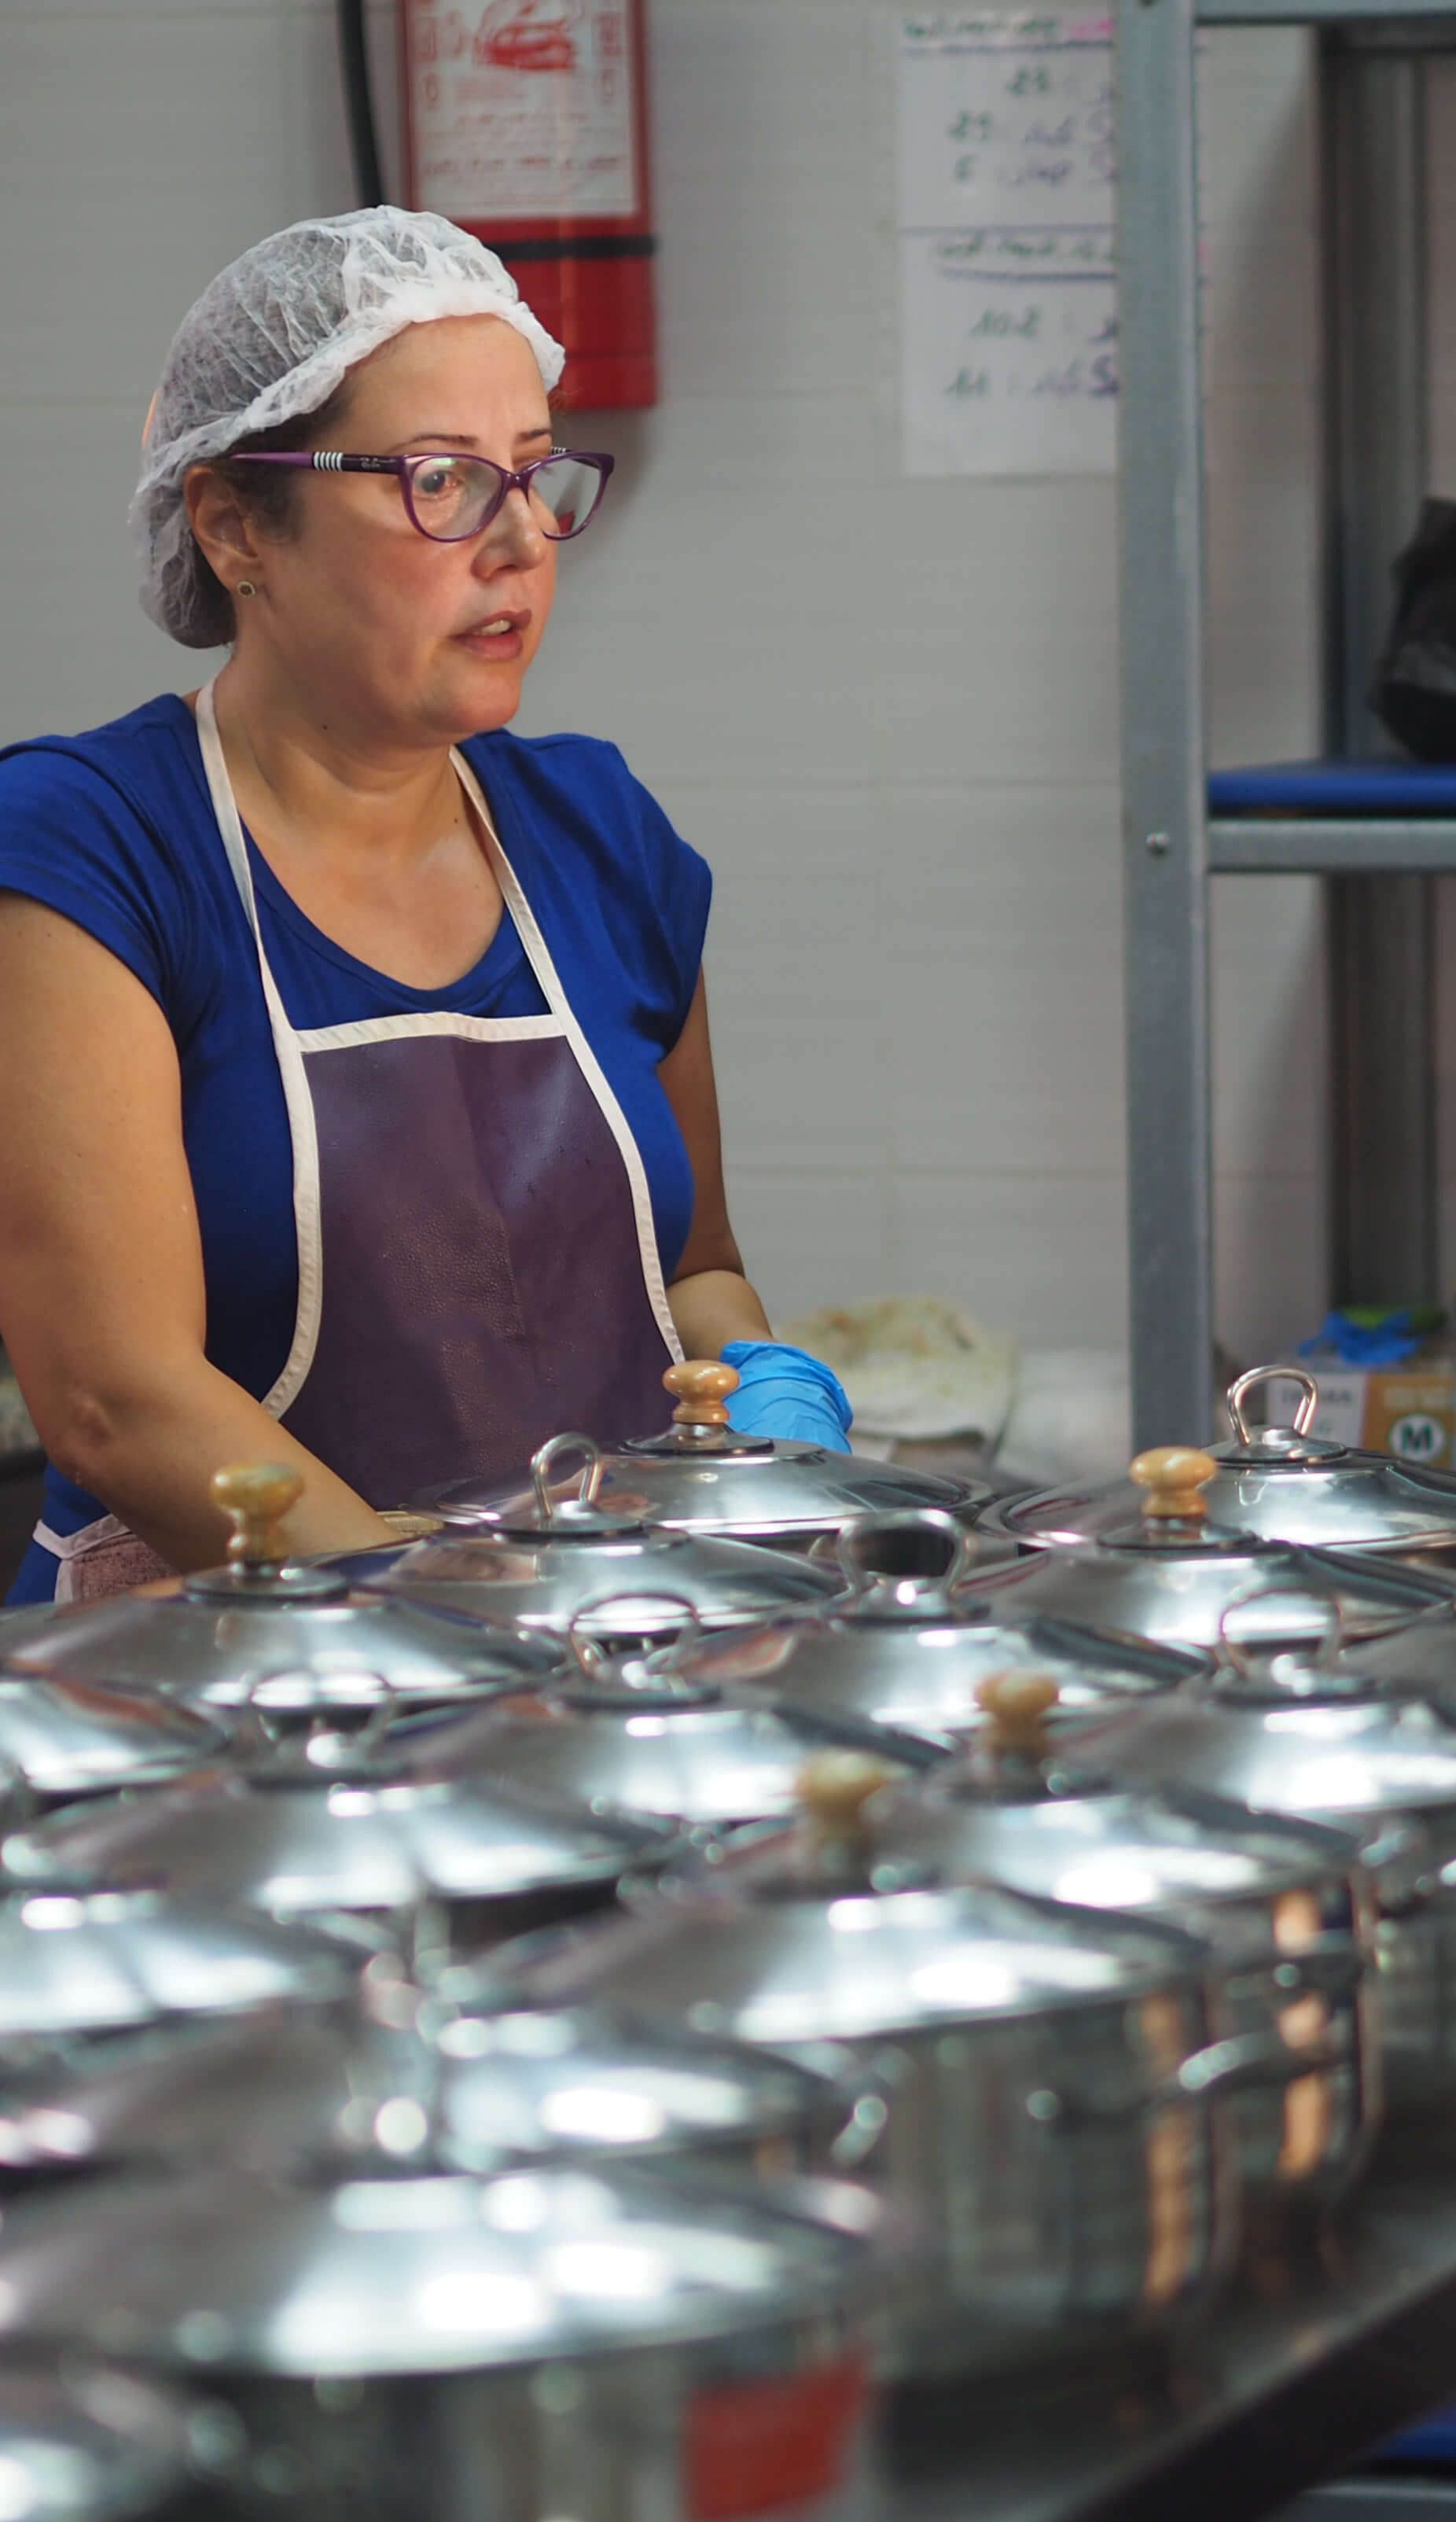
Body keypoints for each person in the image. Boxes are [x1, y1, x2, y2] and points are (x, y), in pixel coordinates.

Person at [0, 209, 855, 1603]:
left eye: (536, 477)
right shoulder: (90, 847)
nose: (521, 540)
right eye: (442, 482)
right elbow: (117, 1398)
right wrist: (462, 1624)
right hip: (203, 1708)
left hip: (583, 1657)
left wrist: (755, 1400)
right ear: (233, 526)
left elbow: (693, 1268)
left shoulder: (600, 834)